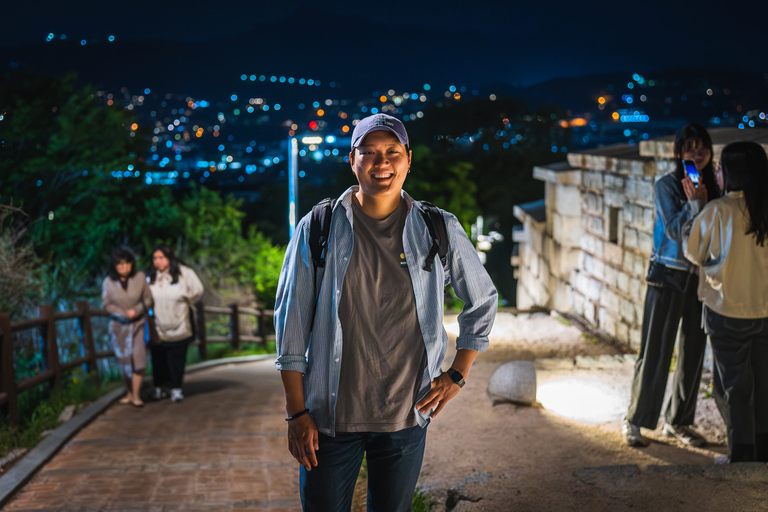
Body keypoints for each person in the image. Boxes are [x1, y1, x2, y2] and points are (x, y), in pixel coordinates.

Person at [274, 113, 497, 510]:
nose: (382, 163)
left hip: (405, 417)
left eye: (392, 152)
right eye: (370, 153)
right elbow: (290, 325)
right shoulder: (319, 227)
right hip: (328, 419)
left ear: (408, 159)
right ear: (352, 160)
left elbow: (482, 299)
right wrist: (296, 413)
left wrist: (458, 374)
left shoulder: (436, 227)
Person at [622, 124, 721, 447]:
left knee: (693, 351)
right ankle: (636, 419)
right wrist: (695, 203)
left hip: (702, 280)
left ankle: (678, 421)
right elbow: (676, 233)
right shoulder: (667, 185)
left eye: (702, 147)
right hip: (667, 274)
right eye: (689, 148)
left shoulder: (716, 186)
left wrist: (709, 197)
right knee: (655, 350)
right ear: (679, 153)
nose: (697, 153)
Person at [683, 141, 768, 463]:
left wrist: (695, 206)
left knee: (732, 388)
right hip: (764, 309)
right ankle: (763, 453)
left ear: (731, 174)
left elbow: (694, 253)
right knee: (763, 384)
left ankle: (743, 456)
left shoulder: (717, 211)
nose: (716, 173)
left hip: (727, 309)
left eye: (719, 168)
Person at [147, 243, 204, 403]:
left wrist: (186, 301)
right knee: (158, 358)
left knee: (177, 358)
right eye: (155, 258)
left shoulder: (184, 273)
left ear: (169, 258)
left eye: (161, 257)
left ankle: (176, 387)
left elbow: (197, 290)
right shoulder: (151, 277)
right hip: (159, 325)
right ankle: (159, 387)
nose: (158, 261)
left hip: (180, 323)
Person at [102, 247, 153, 407]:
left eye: (126, 263)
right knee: (124, 360)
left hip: (137, 324)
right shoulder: (108, 282)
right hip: (119, 326)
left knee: (139, 359)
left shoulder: (140, 278)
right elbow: (107, 304)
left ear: (131, 263)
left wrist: (136, 311)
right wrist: (123, 313)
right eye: (119, 264)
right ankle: (129, 392)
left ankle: (136, 395)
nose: (123, 267)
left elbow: (148, 299)